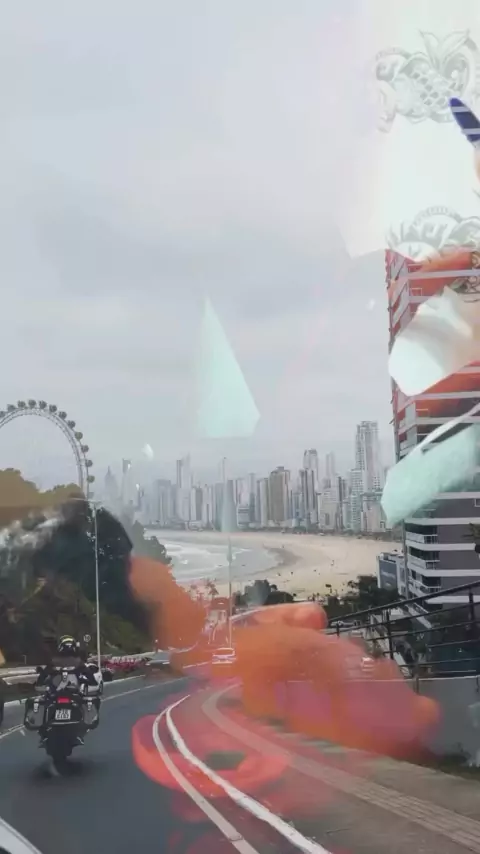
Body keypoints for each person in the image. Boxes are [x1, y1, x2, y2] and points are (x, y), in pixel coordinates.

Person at [35, 635, 100, 745]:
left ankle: (44, 733)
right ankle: (78, 731)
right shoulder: (77, 662)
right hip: (69, 695)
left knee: (45, 704)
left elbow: (42, 676)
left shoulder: (54, 661)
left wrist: (40, 683)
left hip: (56, 695)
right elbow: (89, 676)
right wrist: (91, 681)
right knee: (84, 704)